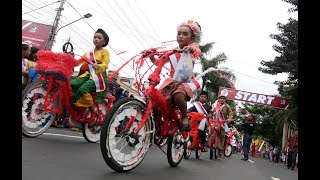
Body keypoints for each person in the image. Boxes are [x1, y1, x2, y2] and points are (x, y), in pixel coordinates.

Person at [149, 19, 202, 132]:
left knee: (178, 95)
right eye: (179, 33)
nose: (181, 36)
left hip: (185, 80)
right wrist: (152, 57)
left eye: (185, 34)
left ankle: (184, 116)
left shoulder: (192, 47)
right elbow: (159, 63)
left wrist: (191, 49)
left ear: (192, 38)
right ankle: (157, 123)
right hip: (170, 81)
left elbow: (197, 51)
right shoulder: (173, 52)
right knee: (156, 100)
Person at [70, 28, 110, 123]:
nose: (96, 39)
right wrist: (69, 59)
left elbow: (106, 64)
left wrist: (99, 66)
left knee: (83, 90)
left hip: (98, 76)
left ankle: (93, 113)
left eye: (99, 38)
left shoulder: (105, 52)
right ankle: (77, 109)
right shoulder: (89, 53)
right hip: (88, 74)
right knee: (72, 84)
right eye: (95, 37)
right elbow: (79, 62)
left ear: (104, 42)